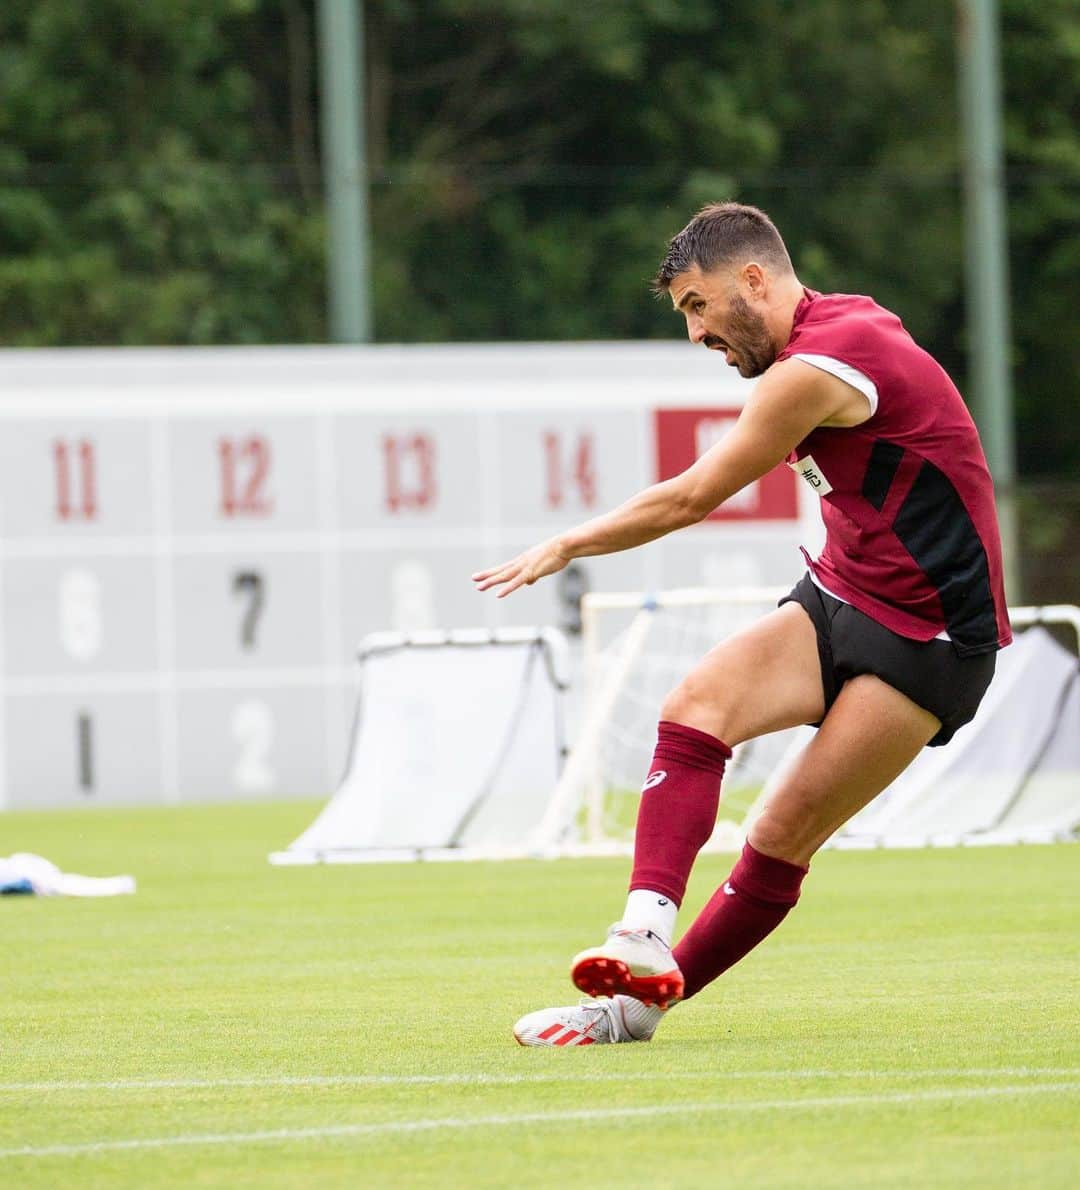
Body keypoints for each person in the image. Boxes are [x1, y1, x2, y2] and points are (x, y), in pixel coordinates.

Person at [472, 202, 1011, 1047]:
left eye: (697, 305)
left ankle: (631, 1012)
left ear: (753, 281)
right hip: (842, 595)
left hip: (931, 640)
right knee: (695, 704)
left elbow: (692, 496)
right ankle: (642, 937)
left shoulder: (819, 366)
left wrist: (569, 542)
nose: (694, 334)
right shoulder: (830, 333)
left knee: (779, 834)